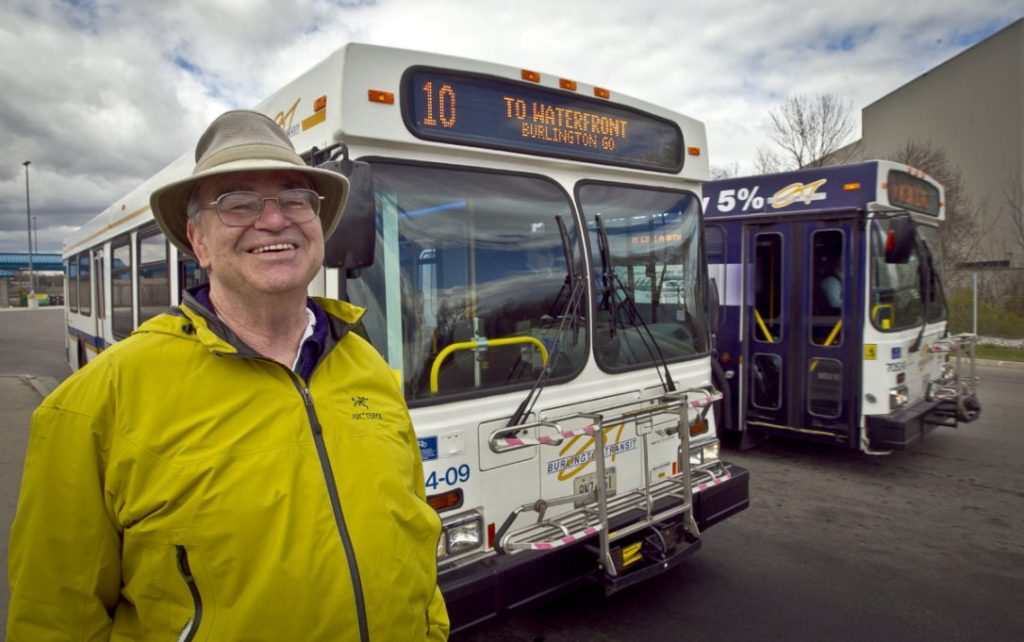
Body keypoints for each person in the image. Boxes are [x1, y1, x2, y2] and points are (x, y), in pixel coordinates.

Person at [6, 110, 449, 641]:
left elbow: (415, 532)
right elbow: (54, 619)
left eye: (294, 199)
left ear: (318, 225)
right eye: (237, 204)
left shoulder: (368, 365)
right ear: (199, 242)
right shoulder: (96, 401)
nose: (274, 220)